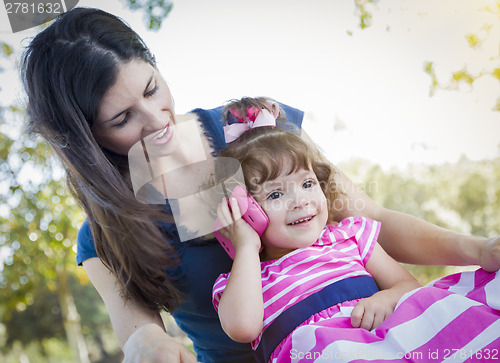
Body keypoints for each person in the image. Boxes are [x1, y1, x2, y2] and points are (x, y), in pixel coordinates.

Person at [19, 7, 500, 363]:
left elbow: (368, 218)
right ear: (88, 138)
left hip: (374, 340)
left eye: (151, 89)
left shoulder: (254, 124)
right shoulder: (107, 230)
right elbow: (136, 325)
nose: (154, 120)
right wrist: (148, 345)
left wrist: (479, 250)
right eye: (123, 118)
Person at [212, 97, 500, 363]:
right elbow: (243, 328)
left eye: (307, 183)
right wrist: (246, 245)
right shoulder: (244, 280)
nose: (300, 200)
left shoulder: (349, 235)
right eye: (275, 195)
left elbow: (407, 286)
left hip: (399, 338)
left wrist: (384, 299)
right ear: (245, 212)